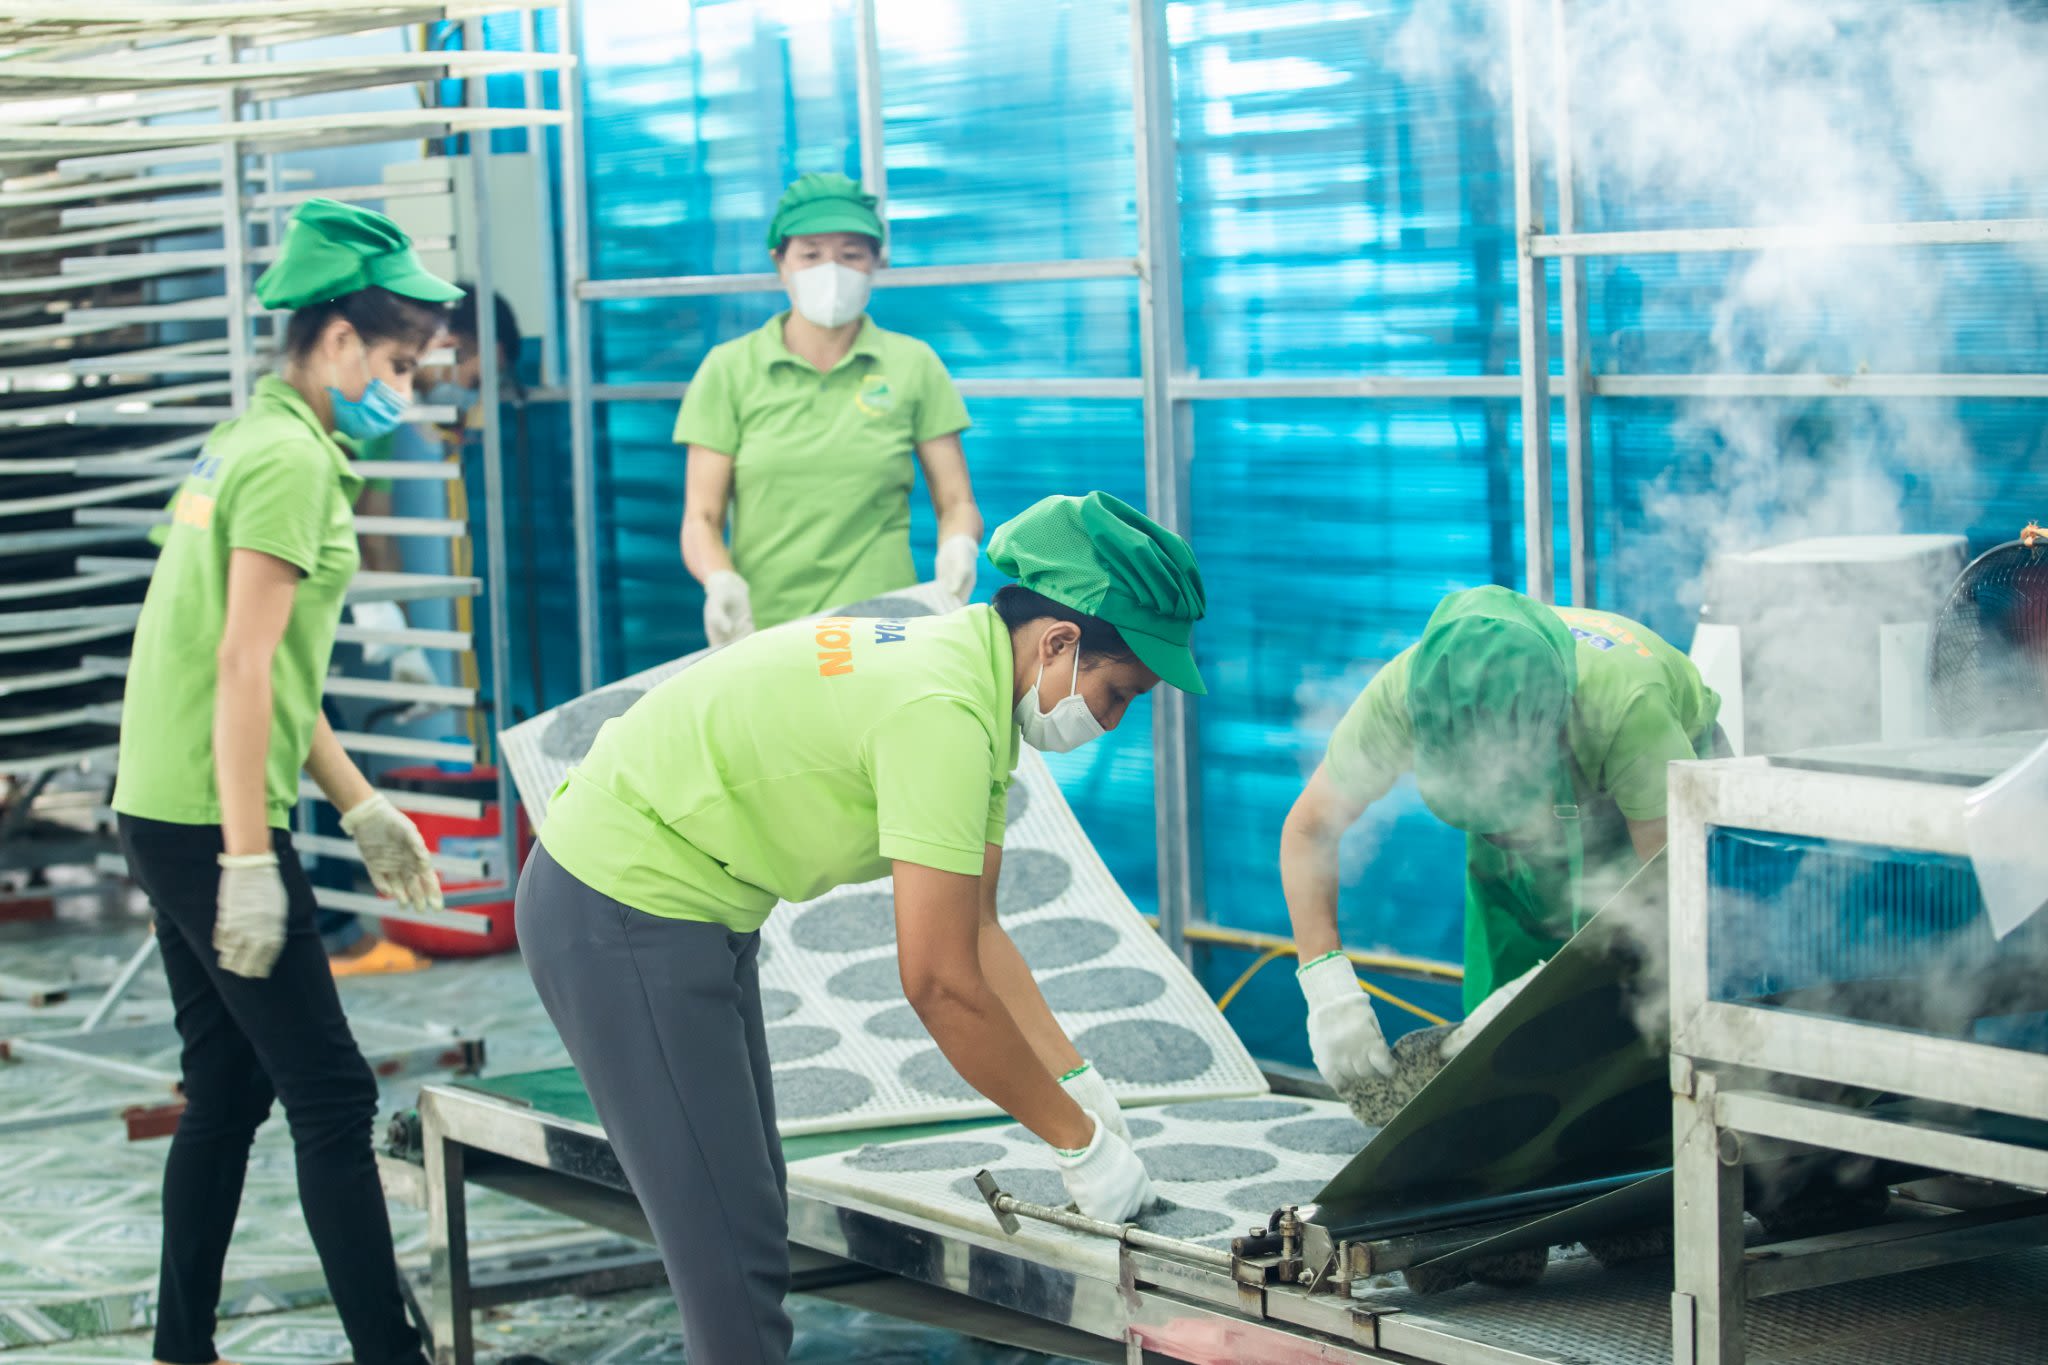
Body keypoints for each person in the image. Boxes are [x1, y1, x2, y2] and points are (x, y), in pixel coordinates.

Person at [517, 491, 1207, 1364]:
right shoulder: (942, 711)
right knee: (730, 1258)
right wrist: (1076, 1142)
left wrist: (1077, 1082)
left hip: (687, 907)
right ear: (1060, 642)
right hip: (623, 904)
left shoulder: (973, 687)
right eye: (1118, 694)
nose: (1111, 721)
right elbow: (940, 981)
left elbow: (980, 931)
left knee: (748, 1208)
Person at [110, 199, 455, 1365]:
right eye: (398, 365)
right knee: (330, 1094)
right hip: (211, 816)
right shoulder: (291, 464)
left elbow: (266, 665)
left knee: (226, 1088)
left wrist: (356, 801)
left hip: (166, 801)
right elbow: (243, 665)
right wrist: (251, 858)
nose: (404, 390)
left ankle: (181, 1350)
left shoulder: (246, 440)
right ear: (340, 341)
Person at [1281, 586, 1721, 1096]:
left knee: (1648, 1017)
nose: (1509, 836)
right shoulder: (1410, 694)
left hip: (1644, 823)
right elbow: (1309, 830)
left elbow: (1668, 897)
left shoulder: (1628, 707)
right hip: (1535, 831)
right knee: (1495, 1051)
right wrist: (1327, 987)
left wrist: (1558, 985)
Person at [676, 172, 982, 646]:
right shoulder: (729, 370)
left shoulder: (912, 364)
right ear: (780, 262)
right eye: (811, 254)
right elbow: (702, 517)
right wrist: (719, 581)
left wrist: (959, 545)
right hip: (766, 629)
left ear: (875, 262)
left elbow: (956, 500)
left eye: (851, 254)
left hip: (883, 627)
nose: (831, 270)